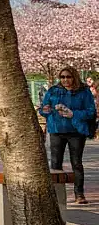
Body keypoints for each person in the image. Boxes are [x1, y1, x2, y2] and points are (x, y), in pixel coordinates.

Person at [40, 66, 94, 204]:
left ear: (74, 77)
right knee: (55, 163)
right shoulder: (53, 91)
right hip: (56, 130)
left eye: (68, 77)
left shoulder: (84, 91)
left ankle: (79, 194)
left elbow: (91, 111)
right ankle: (57, 195)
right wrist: (45, 110)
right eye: (62, 77)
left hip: (76, 131)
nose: (65, 80)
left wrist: (73, 113)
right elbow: (43, 109)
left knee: (76, 163)